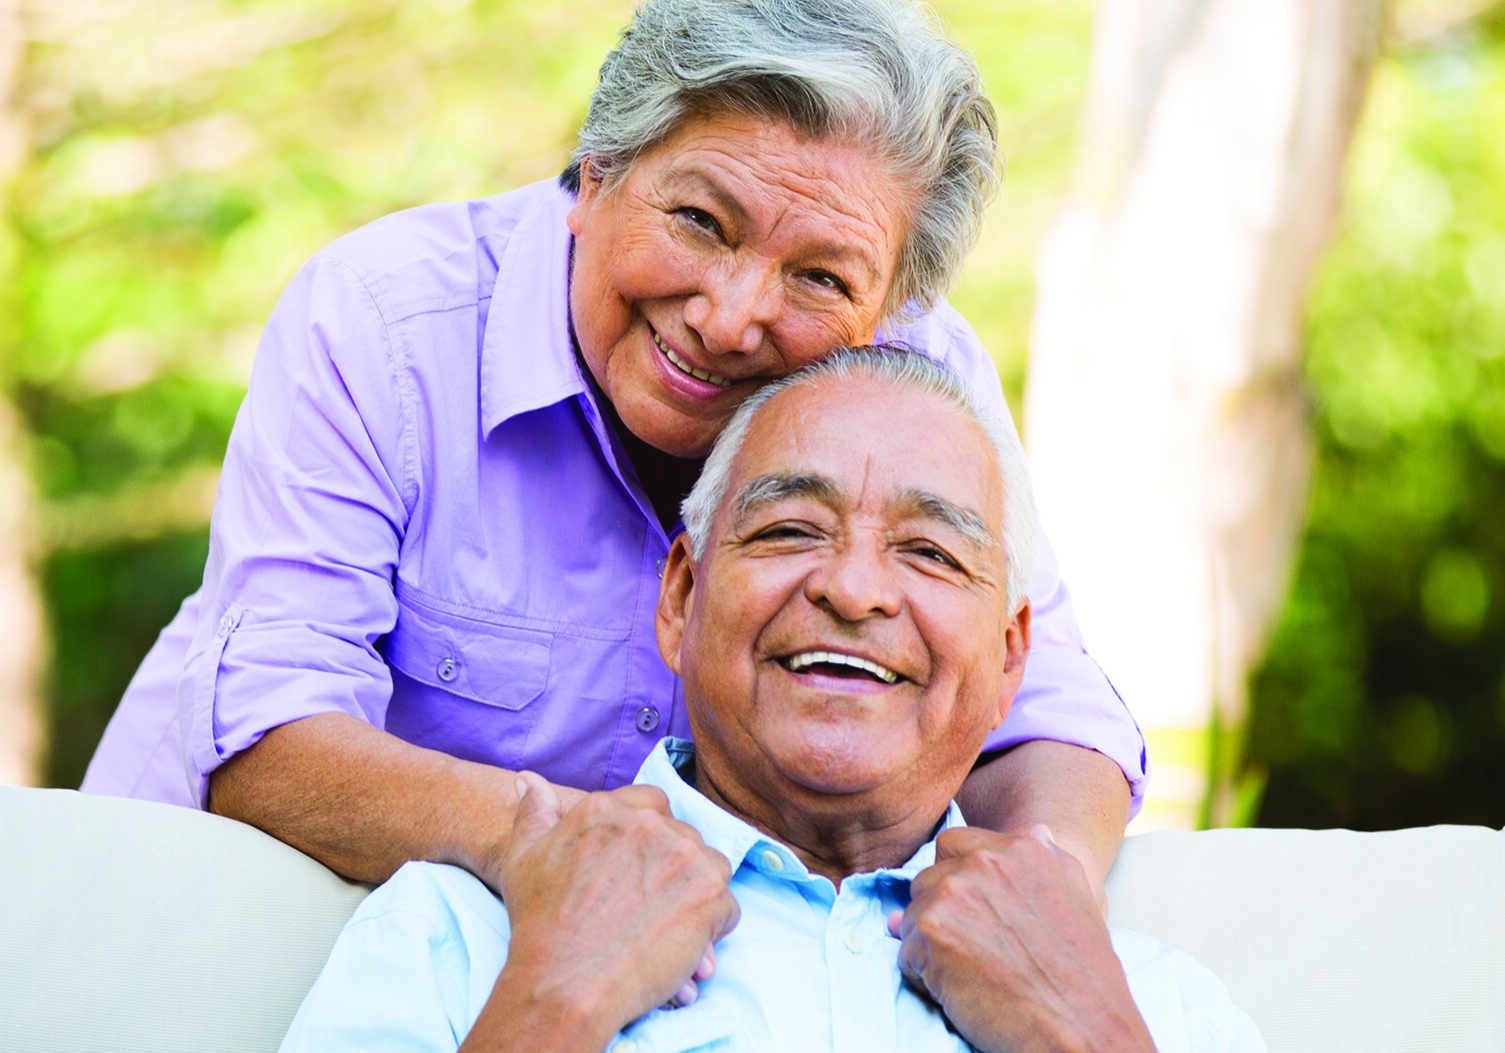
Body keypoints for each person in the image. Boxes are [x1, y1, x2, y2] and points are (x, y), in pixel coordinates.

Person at [83, 0, 1143, 949]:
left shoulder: (914, 377)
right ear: (594, 175)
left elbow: (1045, 700)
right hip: (232, 929)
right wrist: (566, 848)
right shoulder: (381, 321)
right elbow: (268, 730)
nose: (729, 318)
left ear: (888, 308)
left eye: (819, 277)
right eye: (698, 221)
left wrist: (1037, 897)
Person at [279, 348, 1261, 1053]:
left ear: (1010, 658)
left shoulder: (1148, 1004)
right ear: (679, 598)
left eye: (927, 552)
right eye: (790, 529)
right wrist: (558, 1002)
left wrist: (1076, 1033)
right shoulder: (454, 937)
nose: (852, 589)